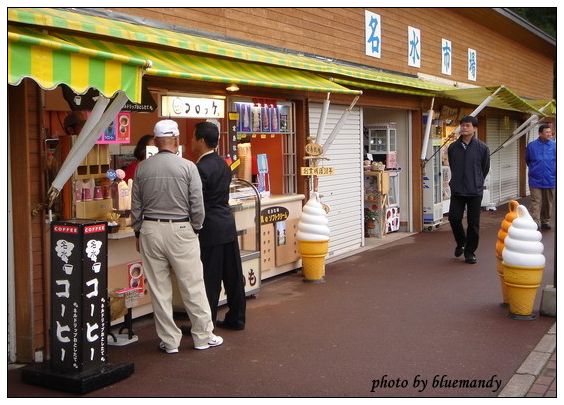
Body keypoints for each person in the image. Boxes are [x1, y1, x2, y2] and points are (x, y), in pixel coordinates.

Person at [131, 119, 223, 353]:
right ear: (176, 139)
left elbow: (136, 206)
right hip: (182, 229)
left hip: (150, 230)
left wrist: (138, 230)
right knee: (192, 284)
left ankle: (170, 341)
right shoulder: (188, 167)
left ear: (156, 140)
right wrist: (196, 227)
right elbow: (197, 205)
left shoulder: (143, 168)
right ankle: (202, 335)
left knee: (159, 289)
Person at [192, 121, 246, 330]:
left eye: (194, 137)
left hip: (210, 227)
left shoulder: (200, 168)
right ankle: (237, 317)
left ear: (202, 140)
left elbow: (197, 202)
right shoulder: (223, 164)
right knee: (233, 275)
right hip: (227, 223)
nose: (192, 141)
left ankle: (207, 322)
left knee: (210, 277)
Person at [447, 115, 490, 264]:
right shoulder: (453, 147)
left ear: (475, 129)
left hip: (475, 191)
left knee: (473, 224)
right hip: (458, 189)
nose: (464, 128)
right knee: (453, 218)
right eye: (462, 125)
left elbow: (484, 168)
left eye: (467, 126)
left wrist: (477, 181)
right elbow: (453, 166)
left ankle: (470, 252)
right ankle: (461, 242)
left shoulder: (482, 148)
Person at [525, 123, 556, 230]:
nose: (549, 134)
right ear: (540, 133)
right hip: (535, 179)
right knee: (536, 201)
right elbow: (528, 160)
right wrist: (535, 170)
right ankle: (535, 222)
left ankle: (545, 221)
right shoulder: (531, 146)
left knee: (548, 202)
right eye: (546, 132)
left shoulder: (555, 145)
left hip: (550, 178)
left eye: (550, 132)